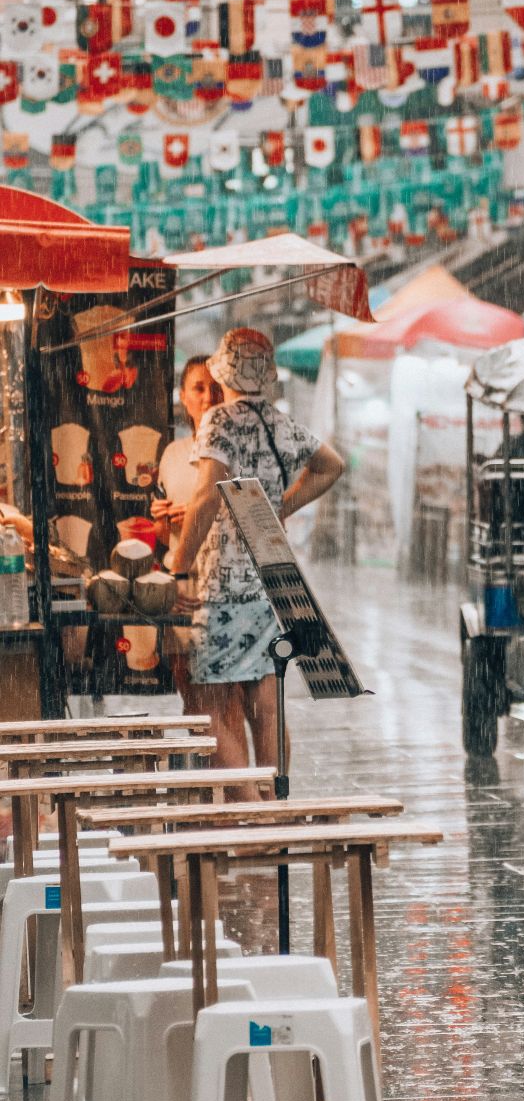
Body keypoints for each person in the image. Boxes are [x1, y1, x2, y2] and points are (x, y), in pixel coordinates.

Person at [170, 328, 344, 794]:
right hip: (271, 576)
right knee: (268, 702)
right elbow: (331, 465)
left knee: (207, 703)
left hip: (223, 582)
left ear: (222, 373)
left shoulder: (218, 420)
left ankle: (250, 807)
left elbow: (207, 496)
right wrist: (281, 505)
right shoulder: (280, 422)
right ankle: (273, 800)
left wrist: (178, 566)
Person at [151, 356, 222, 699]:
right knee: (189, 692)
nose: (208, 396)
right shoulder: (171, 453)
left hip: (218, 583)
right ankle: (199, 754)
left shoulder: (230, 452)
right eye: (199, 388)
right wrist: (162, 520)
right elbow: (164, 539)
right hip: (179, 586)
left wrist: (200, 516)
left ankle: (222, 753)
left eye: (215, 387)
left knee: (223, 698)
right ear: (183, 396)